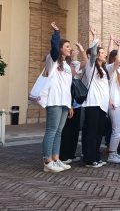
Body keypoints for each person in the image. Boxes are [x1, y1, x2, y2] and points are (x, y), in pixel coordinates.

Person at [42, 22, 73, 173]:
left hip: (64, 102)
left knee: (59, 131)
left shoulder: (66, 66)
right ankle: (47, 161)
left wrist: (70, 104)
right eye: (67, 46)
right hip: (54, 101)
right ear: (60, 48)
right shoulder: (52, 60)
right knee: (51, 130)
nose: (70, 49)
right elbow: (54, 48)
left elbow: (67, 86)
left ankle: (55, 158)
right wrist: (57, 33)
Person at [82, 28, 110, 168]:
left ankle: (96, 157)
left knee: (99, 133)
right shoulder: (91, 66)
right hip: (93, 104)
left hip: (103, 106)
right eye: (103, 53)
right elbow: (92, 53)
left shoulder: (104, 69)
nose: (105, 55)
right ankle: (89, 159)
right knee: (91, 133)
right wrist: (95, 37)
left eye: (105, 52)